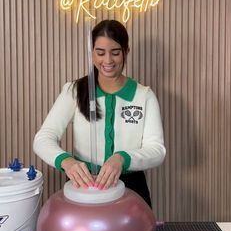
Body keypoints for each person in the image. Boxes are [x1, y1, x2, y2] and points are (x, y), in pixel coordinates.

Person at [33, 19, 166, 207]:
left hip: (132, 189)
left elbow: (157, 151)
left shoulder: (144, 95)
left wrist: (122, 159)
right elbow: (43, 139)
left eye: (116, 52)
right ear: (92, 53)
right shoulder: (75, 90)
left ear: (126, 51)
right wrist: (66, 161)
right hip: (84, 186)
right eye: (100, 53)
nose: (108, 60)